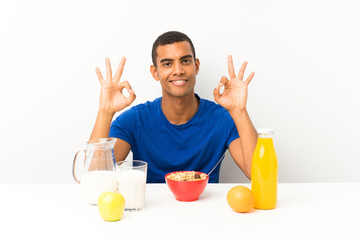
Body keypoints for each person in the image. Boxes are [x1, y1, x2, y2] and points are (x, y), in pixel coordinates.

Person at [90, 31, 258, 183]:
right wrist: (105, 111)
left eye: (185, 61)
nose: (178, 70)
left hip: (206, 211)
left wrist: (239, 111)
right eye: (167, 64)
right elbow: (95, 179)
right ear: (155, 72)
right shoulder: (134, 120)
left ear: (196, 66)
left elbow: (257, 175)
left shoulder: (223, 119)